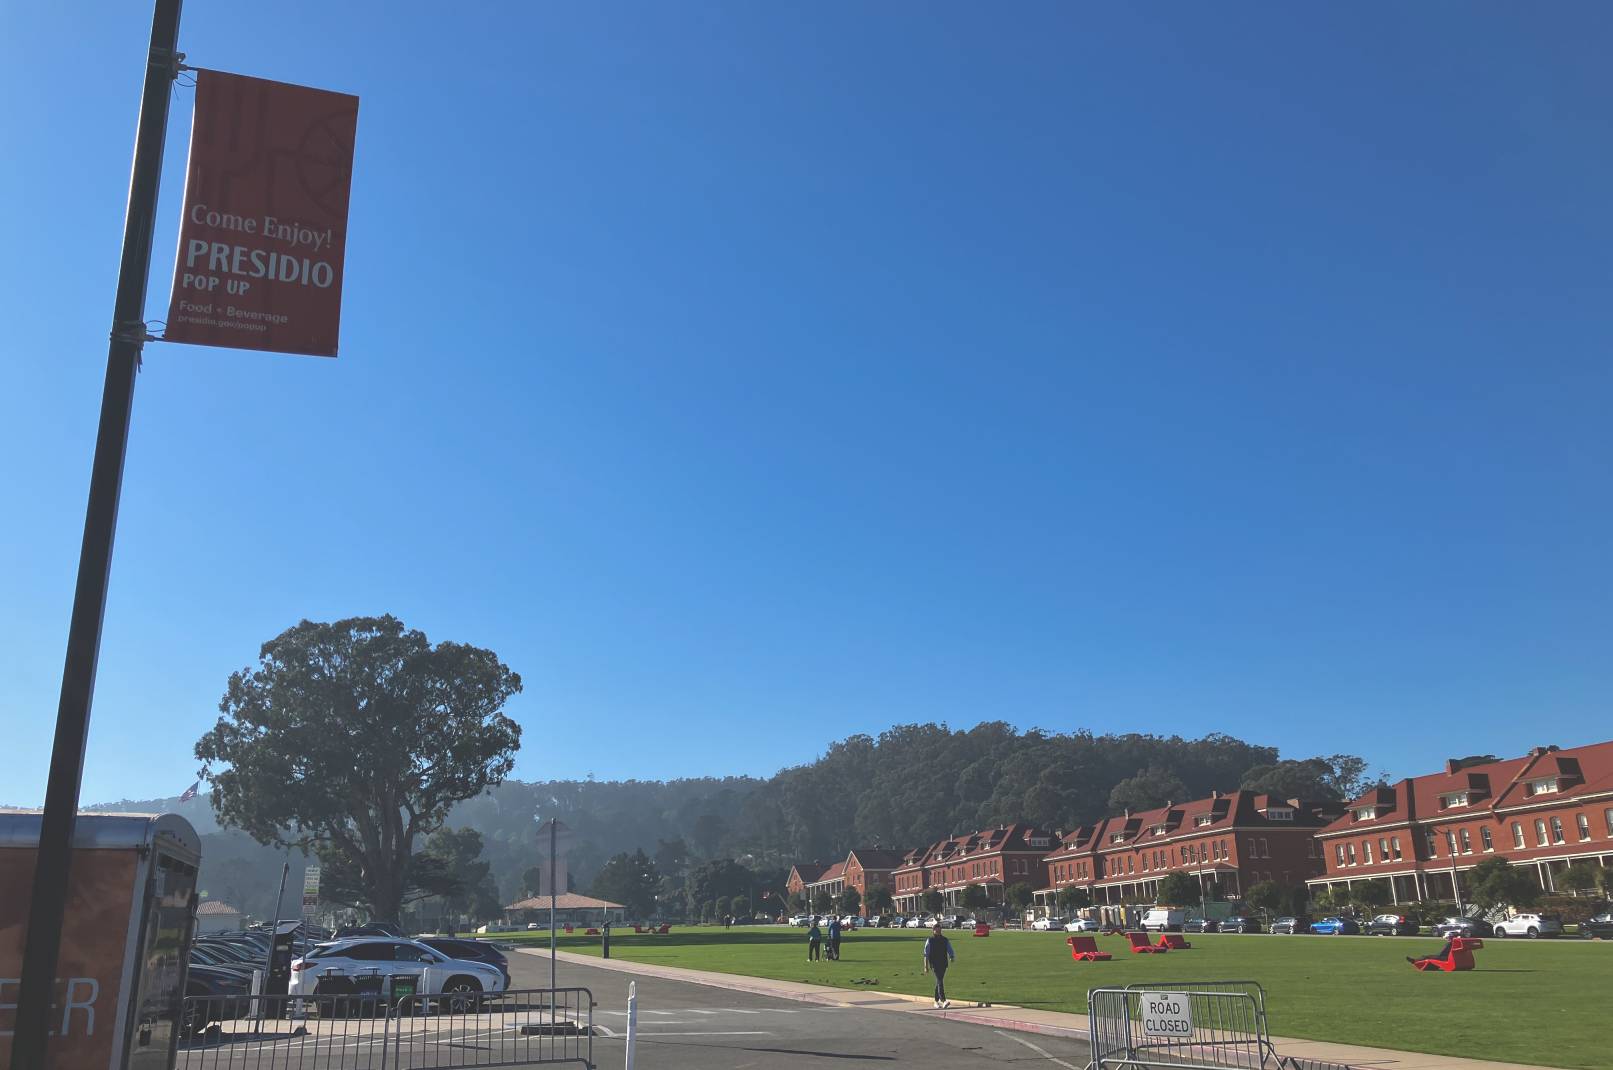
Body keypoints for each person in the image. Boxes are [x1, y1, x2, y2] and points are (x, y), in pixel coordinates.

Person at [923, 922, 955, 1008]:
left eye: (939, 931)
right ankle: (943, 1000)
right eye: (936, 931)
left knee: (938, 981)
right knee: (940, 980)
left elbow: (949, 949)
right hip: (934, 964)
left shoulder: (945, 940)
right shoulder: (930, 940)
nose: (938, 932)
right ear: (933, 931)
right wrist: (926, 966)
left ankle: (936, 1001)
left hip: (943, 963)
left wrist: (951, 956)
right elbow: (926, 954)